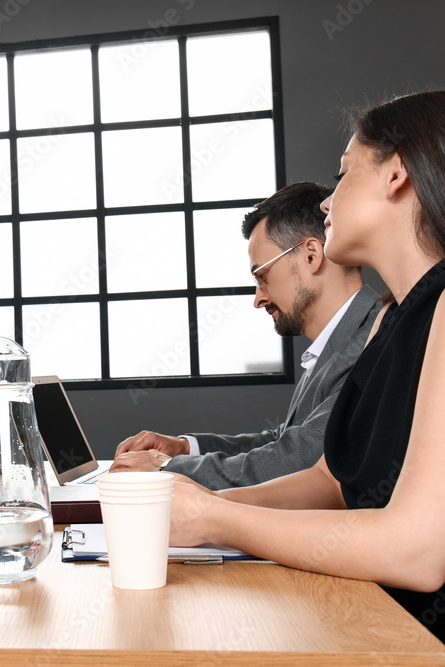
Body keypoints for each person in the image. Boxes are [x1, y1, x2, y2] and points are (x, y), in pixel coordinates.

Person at [170, 90, 445, 642]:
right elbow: (329, 481)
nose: (326, 202)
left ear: (397, 174)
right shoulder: (390, 317)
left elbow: (419, 550)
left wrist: (213, 520)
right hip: (369, 616)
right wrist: (191, 508)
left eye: (343, 175)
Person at [112, 182, 382, 489]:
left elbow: (297, 460)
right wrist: (185, 448)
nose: (259, 299)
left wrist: (167, 467)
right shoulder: (341, 340)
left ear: (310, 255)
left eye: (262, 276)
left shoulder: (372, 340)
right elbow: (284, 441)